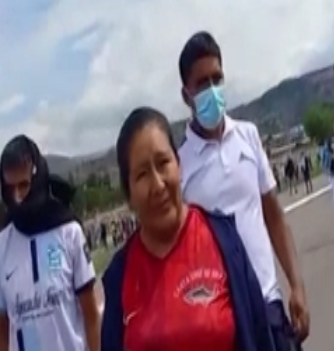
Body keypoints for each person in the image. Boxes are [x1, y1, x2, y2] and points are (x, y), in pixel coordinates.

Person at [101, 107, 274, 351]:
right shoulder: (119, 276)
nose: (158, 185)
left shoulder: (225, 241)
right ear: (129, 194)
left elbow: (260, 335)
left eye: (163, 163)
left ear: (179, 165)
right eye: (142, 174)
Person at [176, 31, 308, 350]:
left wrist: (296, 286)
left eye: (217, 79)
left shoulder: (248, 137)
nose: (212, 90)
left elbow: (274, 217)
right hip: (223, 320)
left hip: (269, 304)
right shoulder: (179, 165)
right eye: (202, 84)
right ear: (186, 95)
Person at [0, 135, 101, 351]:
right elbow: (0, 335)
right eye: (10, 189)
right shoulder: (0, 249)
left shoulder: (69, 233)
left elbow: (91, 317)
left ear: (37, 179)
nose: (17, 197)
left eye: (24, 185)